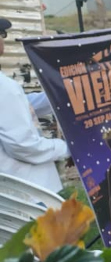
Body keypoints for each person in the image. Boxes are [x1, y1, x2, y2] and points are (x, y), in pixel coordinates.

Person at [0, 17, 70, 192]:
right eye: (1, 34)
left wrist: (63, 93)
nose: (3, 39)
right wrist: (69, 148)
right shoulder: (6, 89)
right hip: (30, 188)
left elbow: (18, 106)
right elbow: (24, 146)